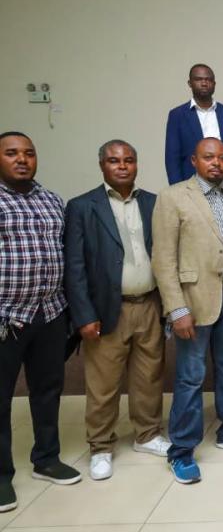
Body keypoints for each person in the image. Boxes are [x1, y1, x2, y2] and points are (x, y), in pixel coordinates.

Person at [152, 138, 223, 484]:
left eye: (221, 157)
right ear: (193, 159)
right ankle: (181, 450)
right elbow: (164, 259)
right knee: (190, 375)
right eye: (208, 157)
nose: (216, 163)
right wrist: (176, 309)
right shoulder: (173, 197)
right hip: (194, 302)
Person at [64, 140, 169, 481]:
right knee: (103, 383)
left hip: (149, 303)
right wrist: (83, 314)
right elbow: (75, 266)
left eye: (129, 160)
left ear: (137, 165)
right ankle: (100, 447)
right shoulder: (82, 207)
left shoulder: (153, 202)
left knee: (149, 377)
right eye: (114, 161)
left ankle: (148, 434)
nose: (122, 166)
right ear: (102, 166)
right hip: (107, 308)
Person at [0, 131, 81, 513]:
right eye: (12, 153)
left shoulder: (52, 200)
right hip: (5, 316)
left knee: (47, 390)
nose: (22, 160)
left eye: (28, 153)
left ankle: (46, 458)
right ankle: (1, 476)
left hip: (49, 312)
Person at [165, 63, 223, 185]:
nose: (204, 83)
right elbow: (172, 158)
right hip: (192, 185)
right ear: (190, 83)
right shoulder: (177, 115)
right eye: (198, 79)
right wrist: (177, 190)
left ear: (214, 84)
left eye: (208, 80)